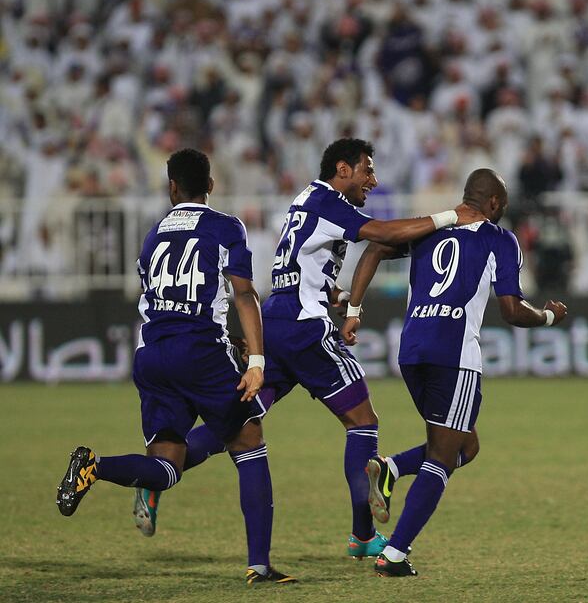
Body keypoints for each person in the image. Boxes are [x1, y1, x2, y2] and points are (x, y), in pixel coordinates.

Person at [132, 138, 482, 560]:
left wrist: (338, 296)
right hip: (304, 329)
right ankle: (362, 535)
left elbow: (298, 262)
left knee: (237, 424)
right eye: (367, 170)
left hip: (278, 323)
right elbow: (384, 233)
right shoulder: (328, 198)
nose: (373, 180)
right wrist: (451, 216)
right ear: (342, 169)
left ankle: (154, 477)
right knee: (363, 422)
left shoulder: (307, 199)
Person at [56, 148, 296, 586]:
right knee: (249, 439)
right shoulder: (225, 227)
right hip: (199, 352)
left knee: (167, 466)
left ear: (171, 188)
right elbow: (244, 294)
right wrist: (256, 360)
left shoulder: (153, 236)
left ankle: (93, 465)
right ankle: (259, 566)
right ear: (210, 184)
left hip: (152, 355)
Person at [339, 168, 568, 576]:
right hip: (455, 353)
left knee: (465, 445)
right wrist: (549, 317)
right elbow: (512, 310)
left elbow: (373, 249)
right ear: (495, 204)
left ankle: (389, 469)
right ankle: (395, 555)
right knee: (445, 456)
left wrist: (354, 309)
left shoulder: (428, 228)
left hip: (411, 350)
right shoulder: (500, 240)